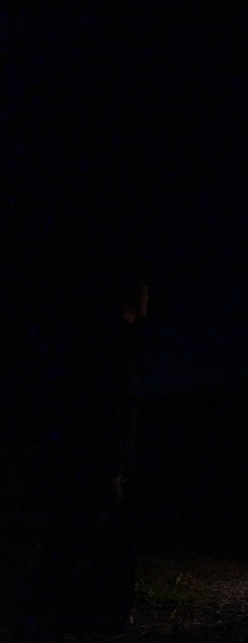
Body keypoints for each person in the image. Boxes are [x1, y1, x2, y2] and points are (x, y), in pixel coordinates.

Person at [21, 266, 148, 640]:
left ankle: (87, 616)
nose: (149, 300)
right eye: (145, 291)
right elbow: (106, 407)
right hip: (100, 467)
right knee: (84, 542)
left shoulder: (115, 340)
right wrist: (113, 466)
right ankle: (49, 618)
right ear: (131, 296)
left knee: (97, 543)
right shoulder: (112, 343)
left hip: (106, 465)